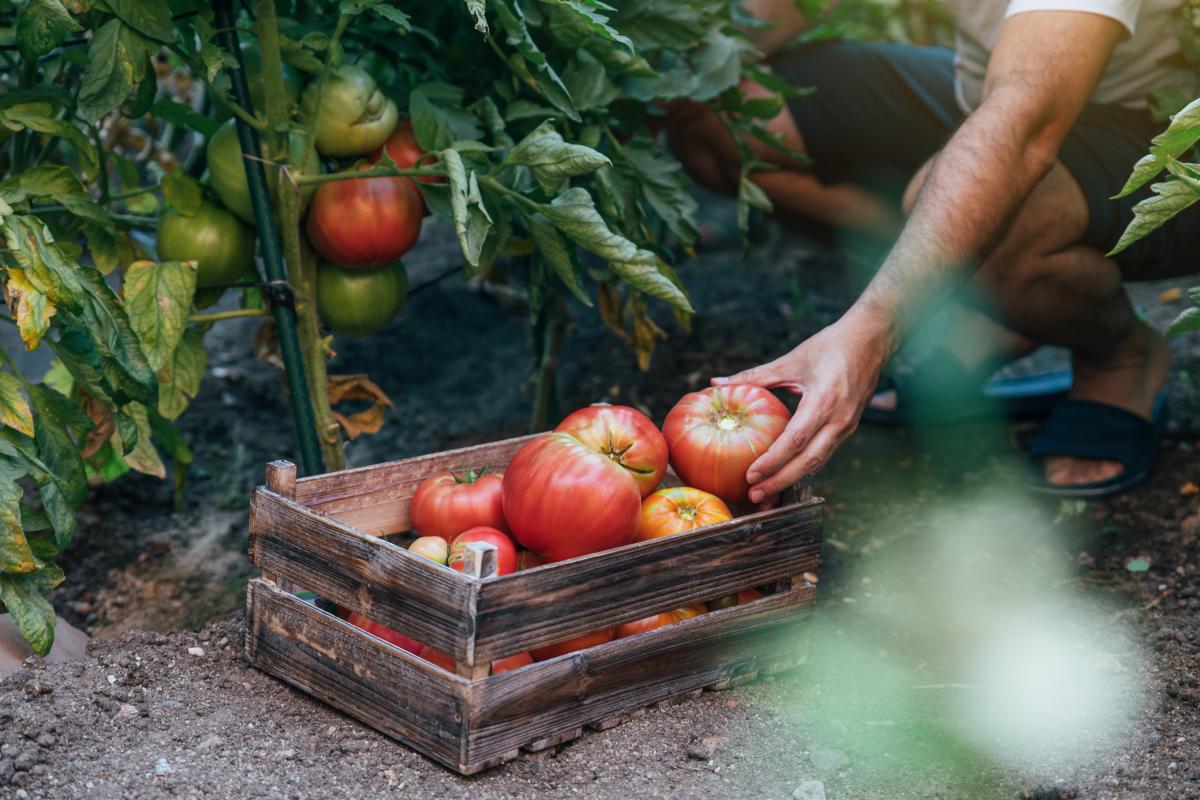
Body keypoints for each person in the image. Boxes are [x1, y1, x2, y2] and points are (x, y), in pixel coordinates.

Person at [668, 0, 1199, 500]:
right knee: (718, 114)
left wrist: (870, 333)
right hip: (985, 85)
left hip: (1165, 132)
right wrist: (665, 65)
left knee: (988, 209)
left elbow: (1026, 123)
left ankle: (1117, 355)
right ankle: (997, 290)